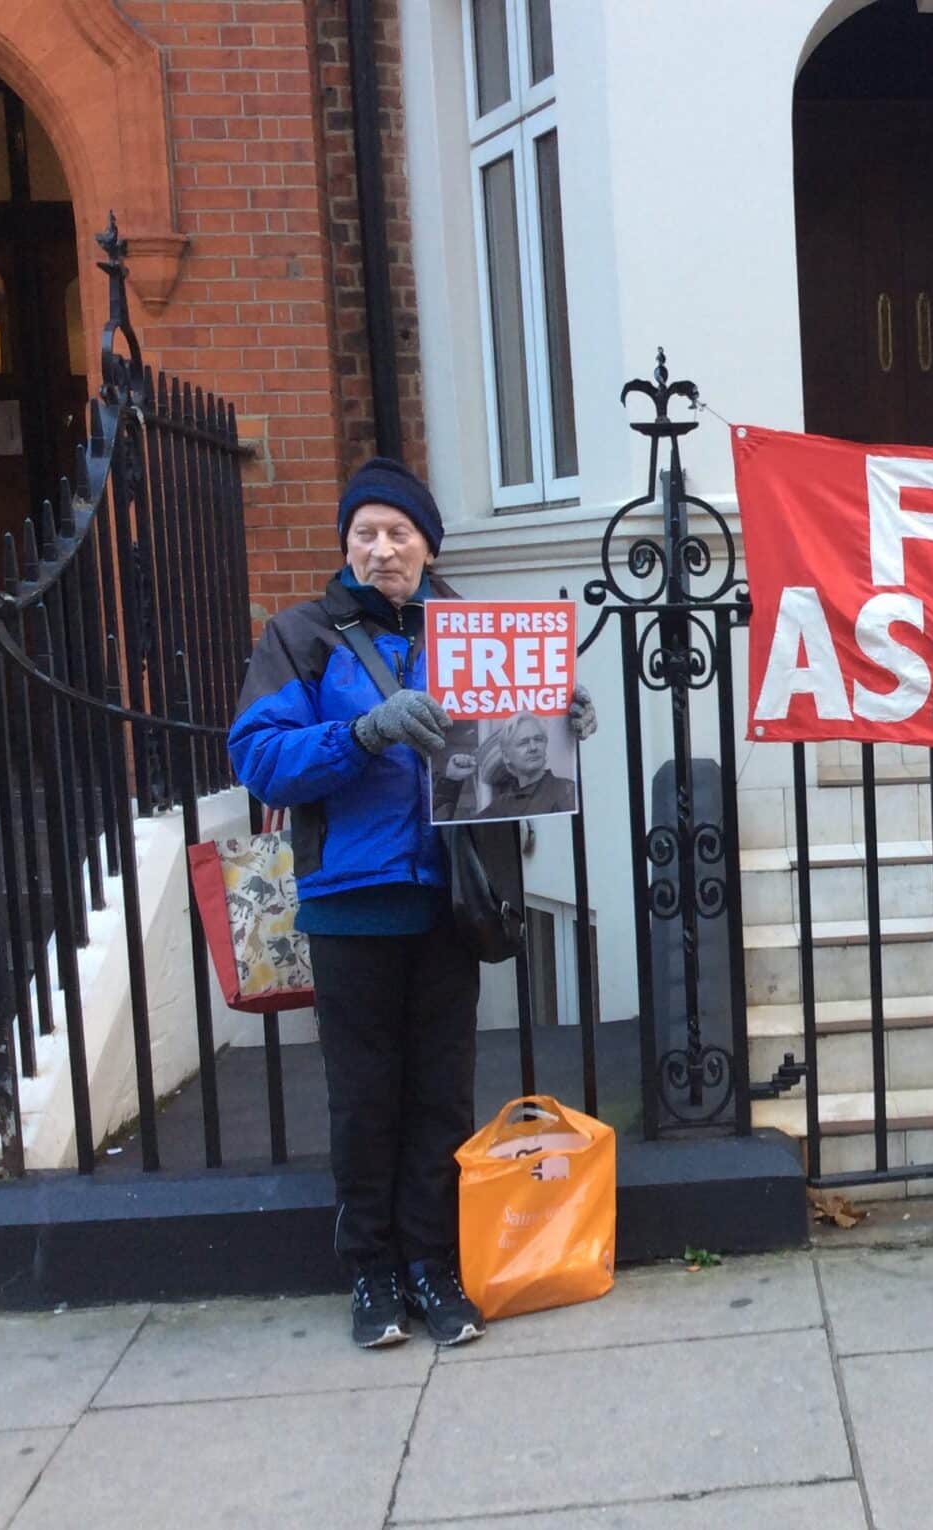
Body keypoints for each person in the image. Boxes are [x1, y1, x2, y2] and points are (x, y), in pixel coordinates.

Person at [228, 456, 597, 1347]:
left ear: (428, 546)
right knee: (365, 1099)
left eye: (399, 533)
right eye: (365, 533)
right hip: (352, 902)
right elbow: (260, 758)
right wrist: (362, 732)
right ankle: (372, 1271)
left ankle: (433, 1264)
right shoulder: (301, 635)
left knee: (440, 1094)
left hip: (449, 902)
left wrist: (558, 717)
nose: (382, 549)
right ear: (346, 545)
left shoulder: (474, 632)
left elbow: (516, 757)